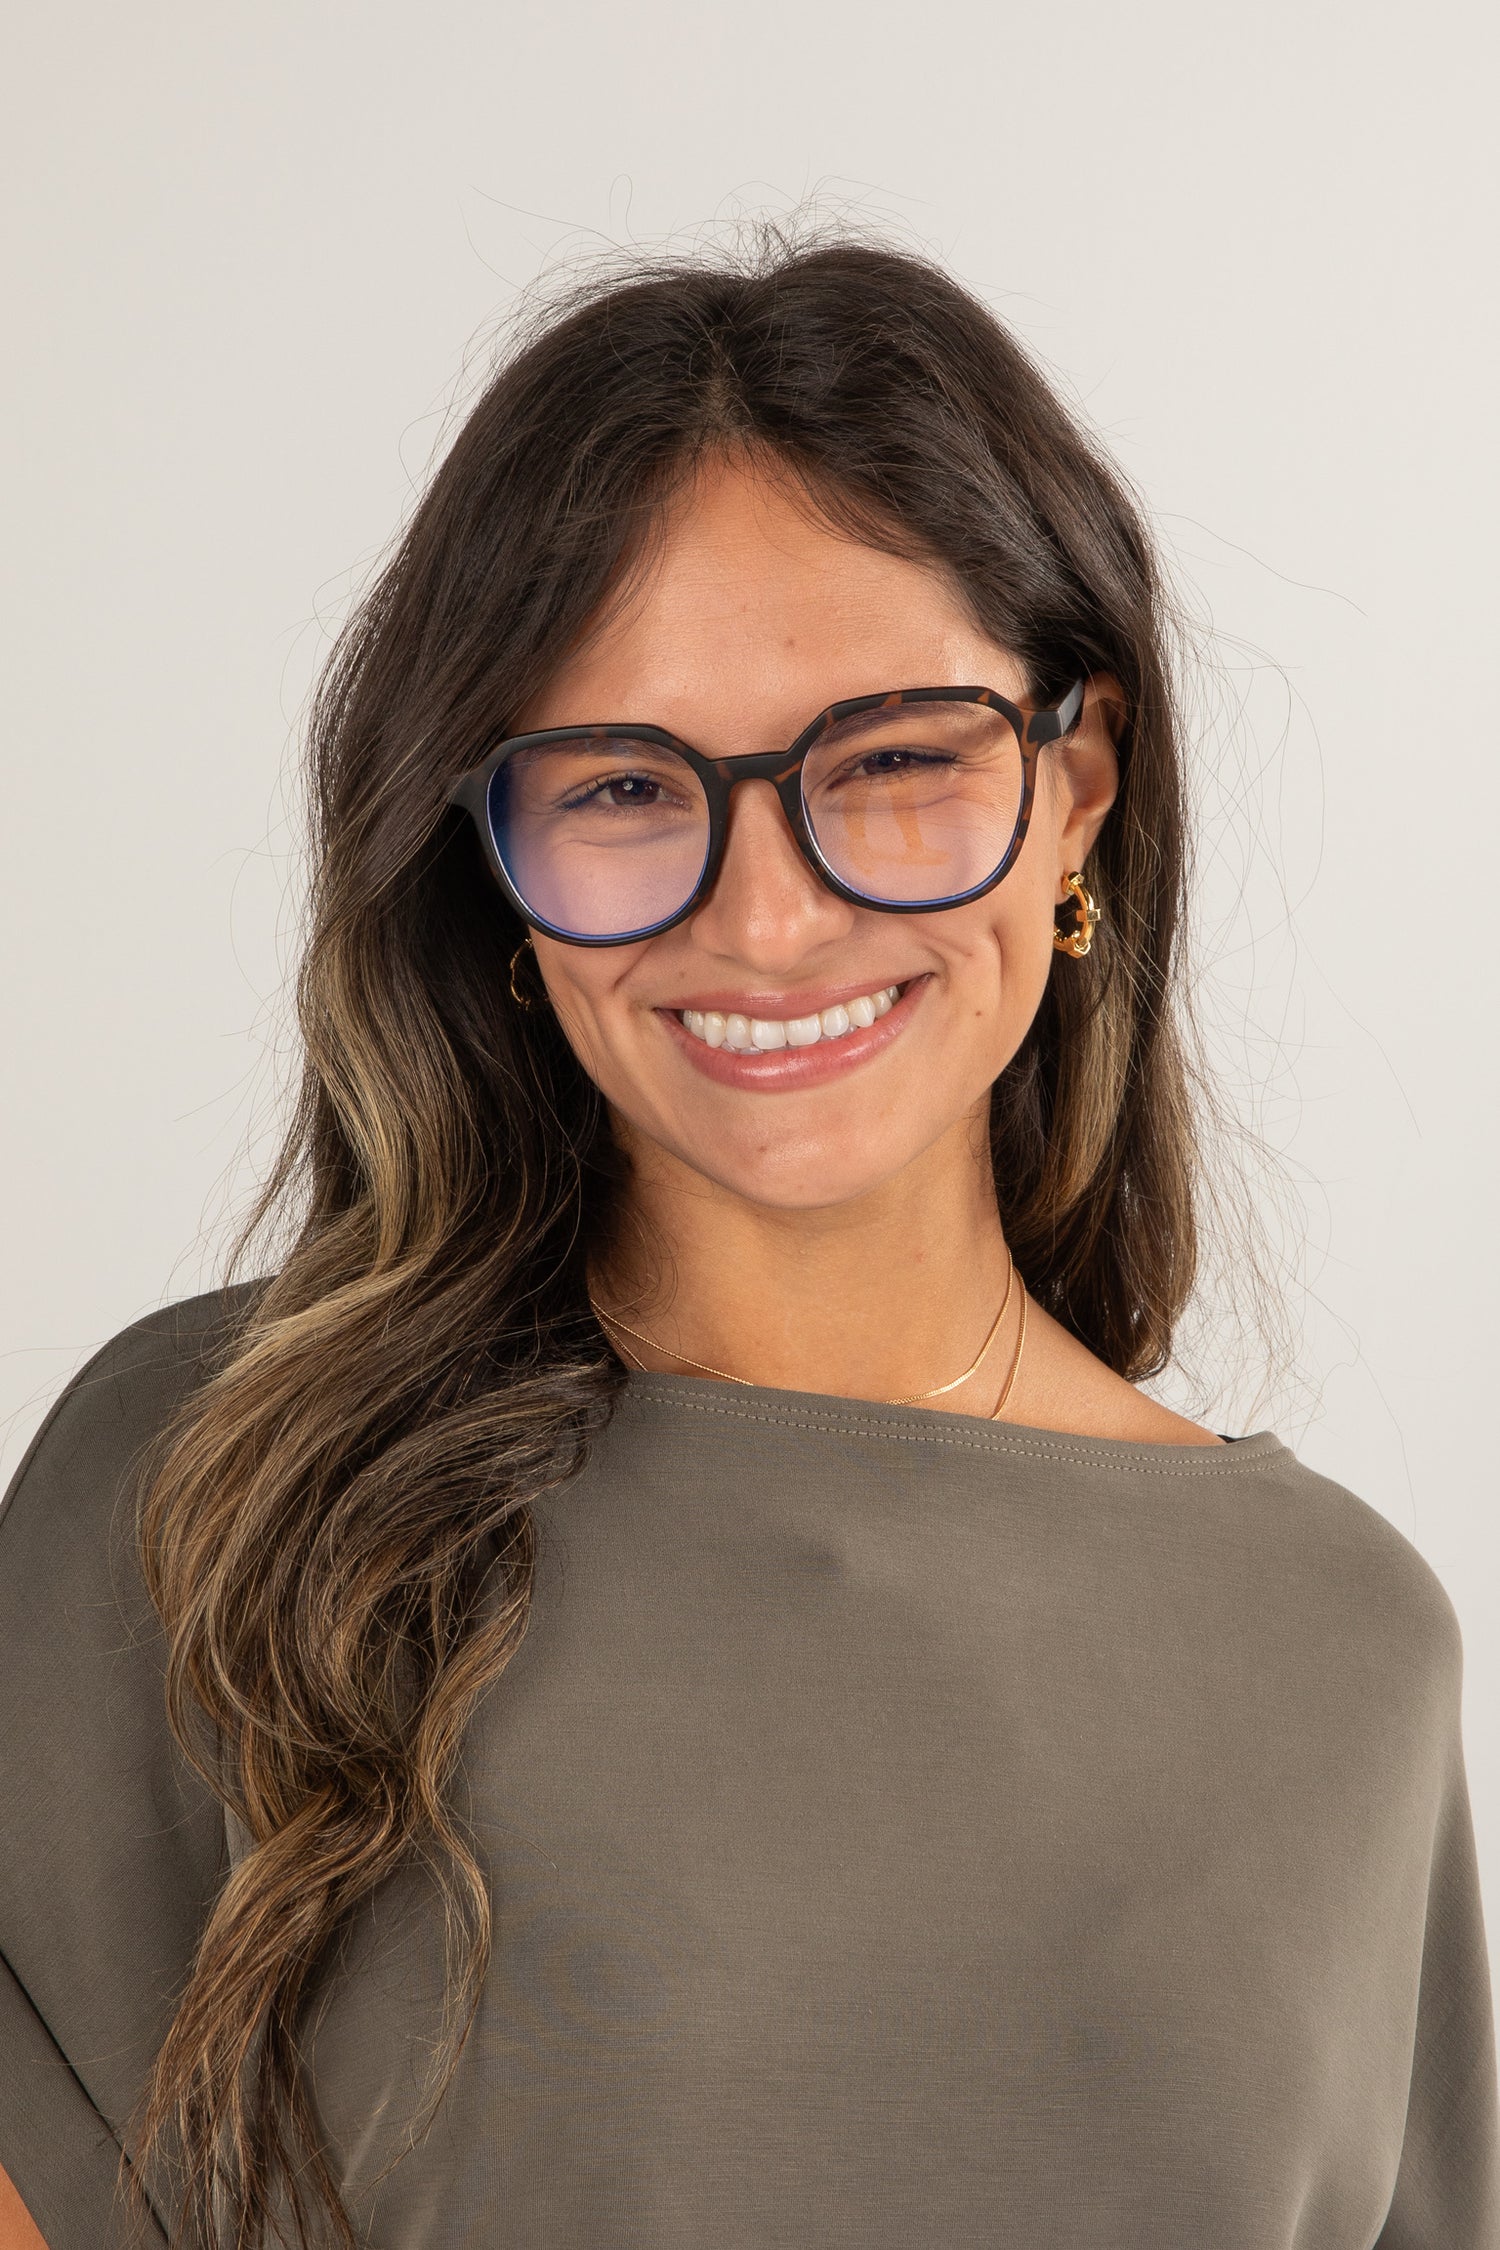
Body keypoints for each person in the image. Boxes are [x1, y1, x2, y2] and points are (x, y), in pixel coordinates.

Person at [0, 232, 1495, 2250]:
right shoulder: (217, 1474)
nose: (768, 917)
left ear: (1078, 783)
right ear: (495, 868)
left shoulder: (1341, 1647)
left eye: (888, 763)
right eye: (626, 785)